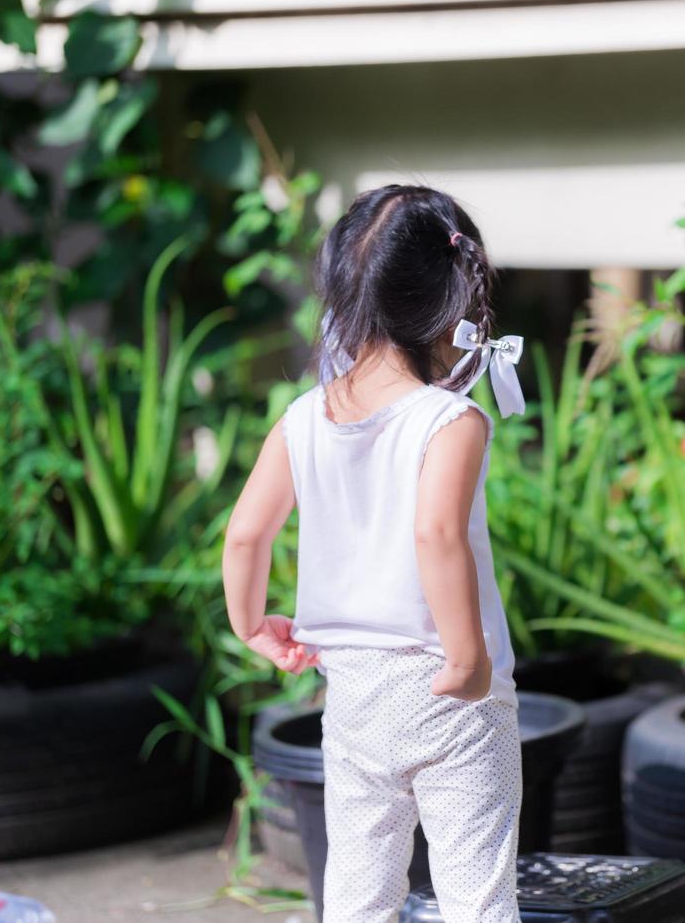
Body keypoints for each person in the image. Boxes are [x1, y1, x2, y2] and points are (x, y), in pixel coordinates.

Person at [221, 184, 525, 923]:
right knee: (476, 892)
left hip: (352, 692)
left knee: (358, 891)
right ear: (455, 298)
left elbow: (246, 534)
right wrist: (466, 657)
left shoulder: (302, 419)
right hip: (447, 690)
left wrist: (251, 623)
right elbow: (436, 534)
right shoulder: (450, 419)